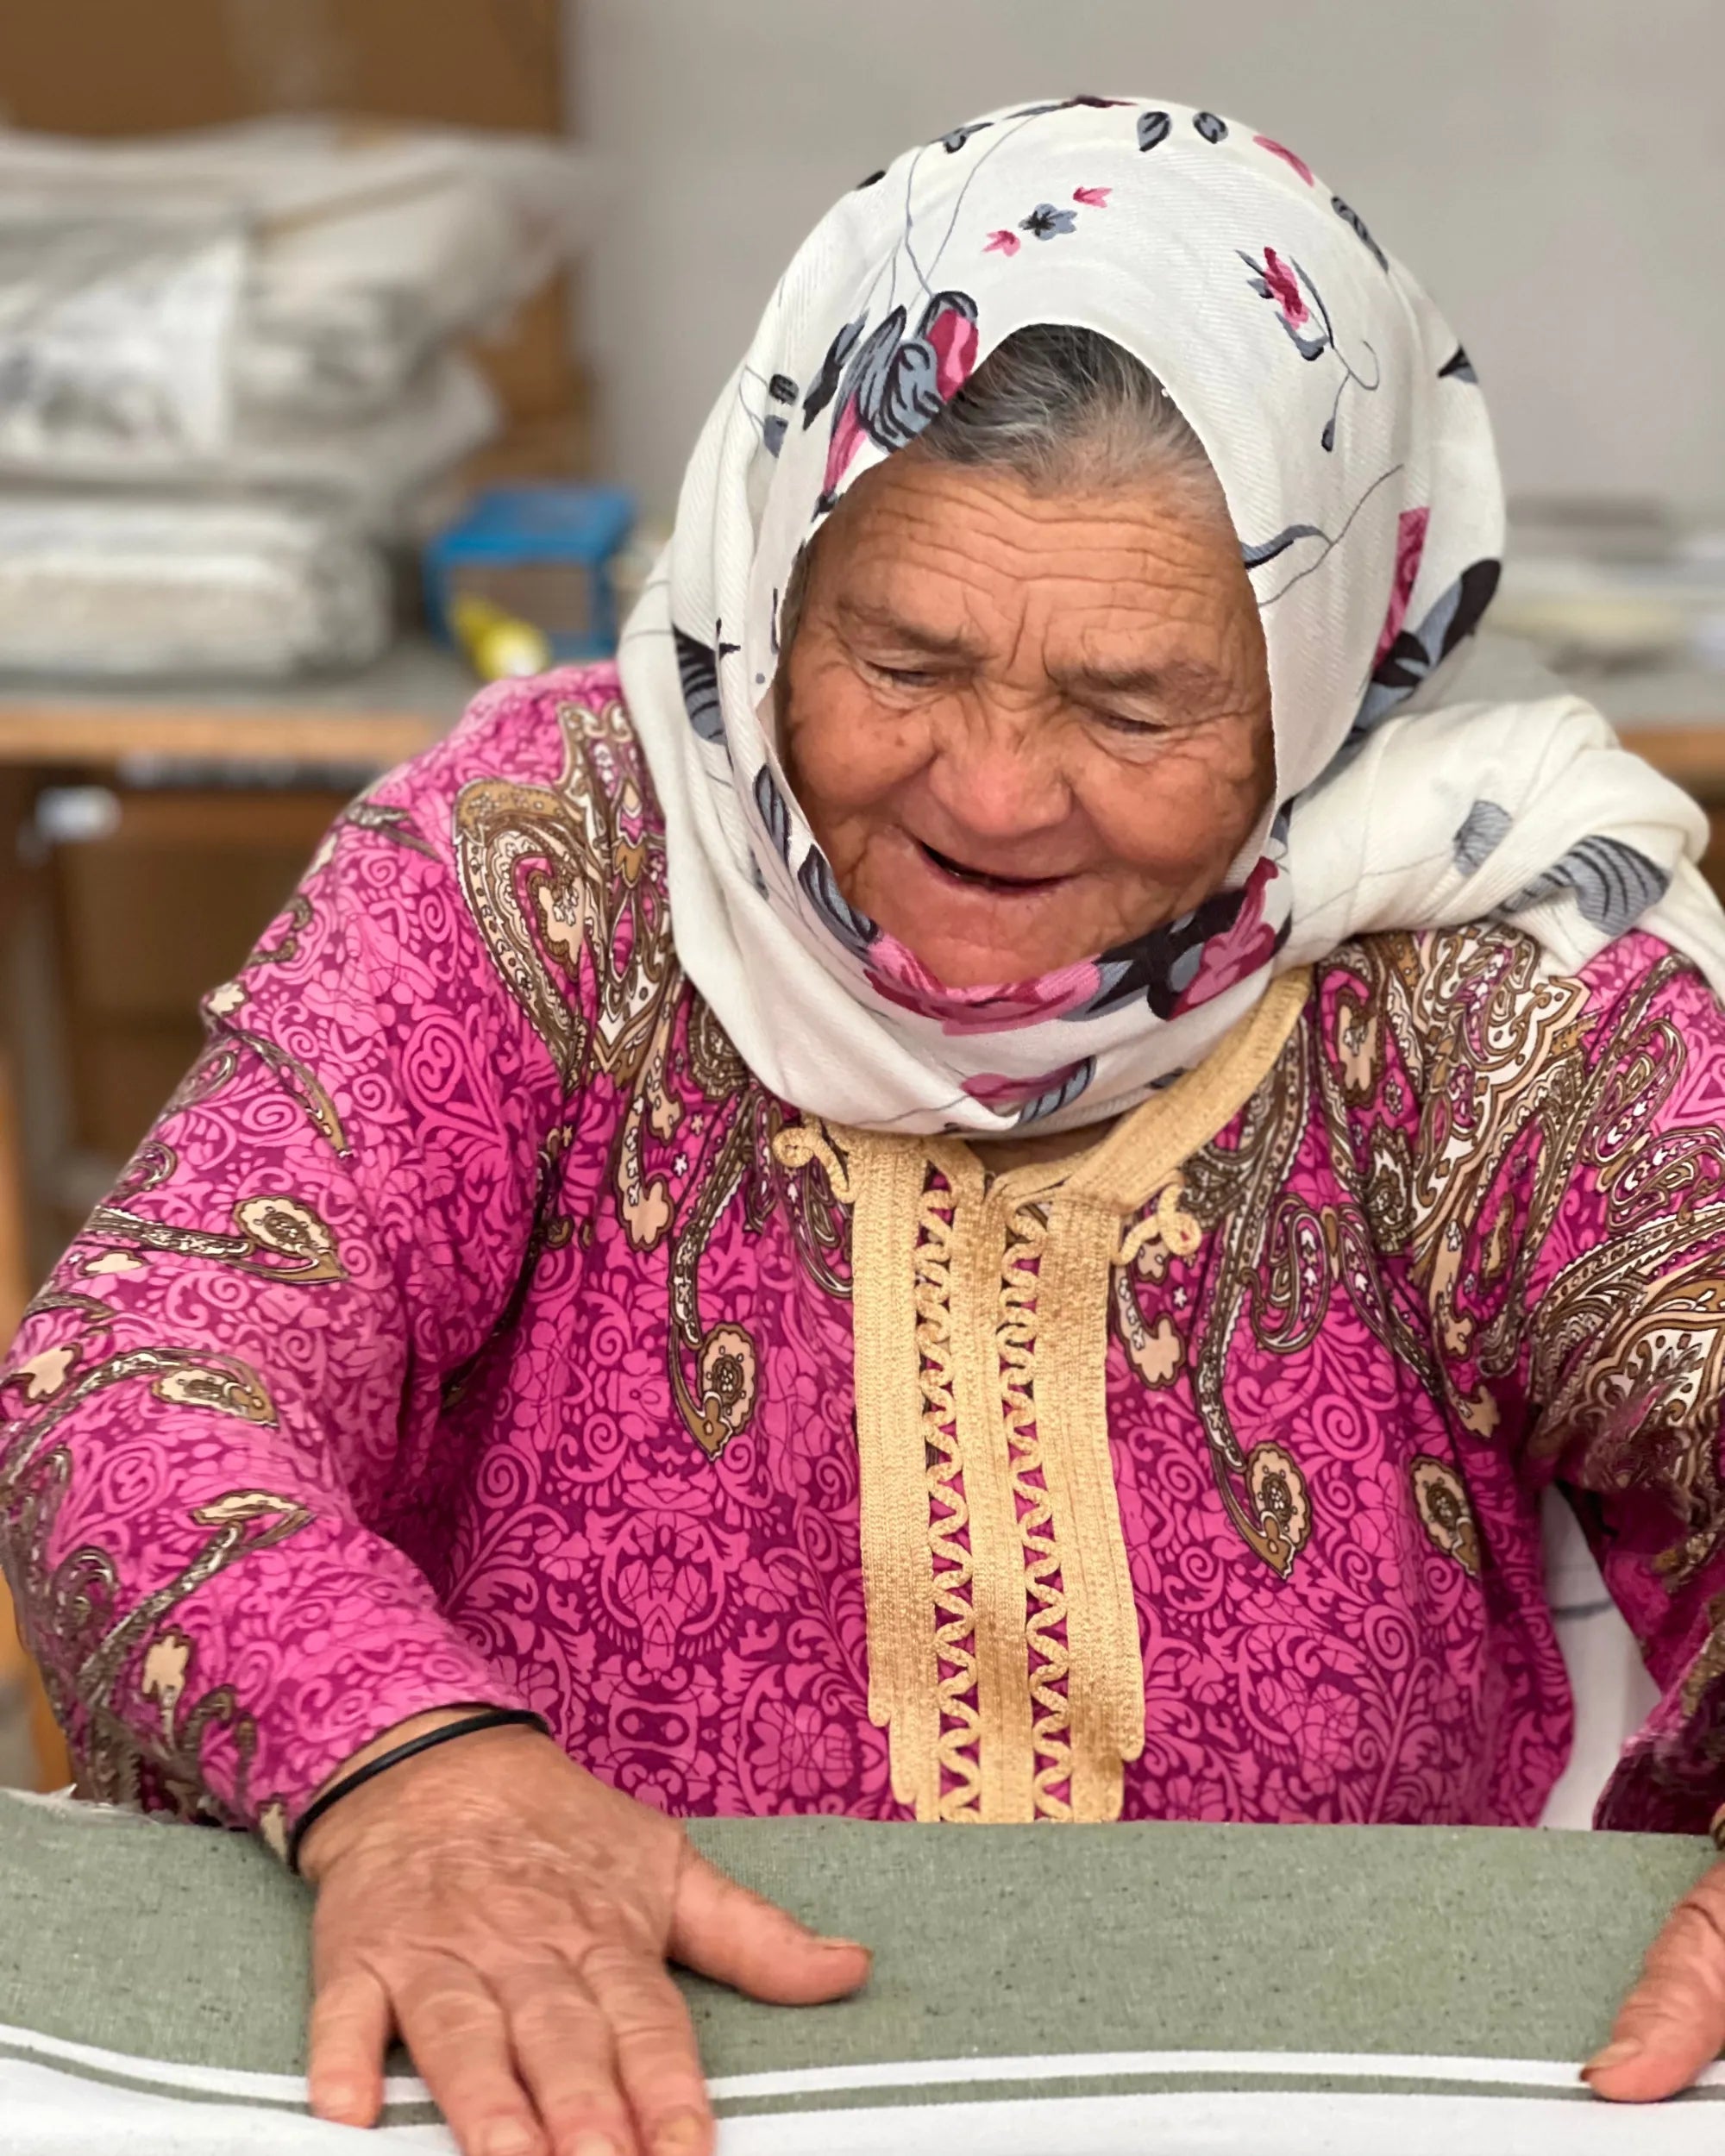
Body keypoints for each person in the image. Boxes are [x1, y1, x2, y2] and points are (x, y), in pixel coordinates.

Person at [4, 93, 1725, 2156]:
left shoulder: (1479, 969)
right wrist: (410, 1764)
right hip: (585, 2079)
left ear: (1321, 673)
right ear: (764, 578)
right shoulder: (554, 861)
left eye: (1130, 705)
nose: (990, 792)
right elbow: (141, 1371)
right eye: (898, 656)